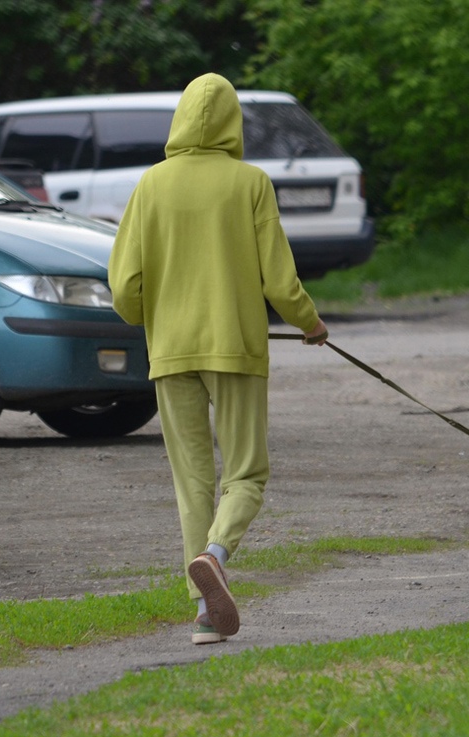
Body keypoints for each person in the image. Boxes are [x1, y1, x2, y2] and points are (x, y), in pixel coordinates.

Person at [108, 73, 328, 645]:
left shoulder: (150, 186)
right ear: (234, 123)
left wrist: (149, 316)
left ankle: (204, 614)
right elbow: (280, 281)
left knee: (192, 485)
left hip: (170, 351)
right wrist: (310, 322)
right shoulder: (250, 183)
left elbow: (125, 286)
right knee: (246, 474)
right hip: (236, 349)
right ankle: (216, 553)